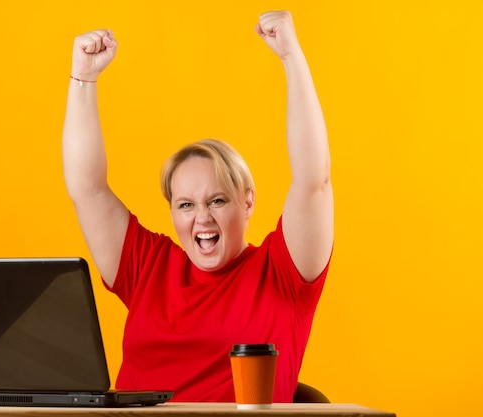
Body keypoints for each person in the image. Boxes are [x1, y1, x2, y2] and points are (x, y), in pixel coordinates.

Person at [62, 10, 333, 403]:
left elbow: (314, 182)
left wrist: (291, 56)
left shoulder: (283, 274)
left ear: (247, 201)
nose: (202, 218)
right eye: (186, 204)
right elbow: (86, 188)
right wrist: (83, 78)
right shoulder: (147, 266)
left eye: (218, 200)